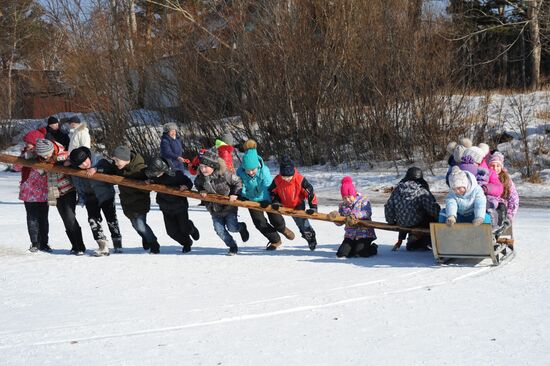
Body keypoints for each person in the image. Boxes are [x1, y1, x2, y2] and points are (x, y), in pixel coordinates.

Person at [92, 145, 160, 254]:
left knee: (140, 225)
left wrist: (147, 183)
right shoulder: (118, 167)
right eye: (114, 160)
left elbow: (150, 182)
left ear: (125, 159)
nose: (115, 163)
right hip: (127, 201)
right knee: (135, 225)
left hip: (140, 201)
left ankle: (154, 243)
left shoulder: (139, 168)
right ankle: (146, 237)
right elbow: (105, 165)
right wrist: (96, 168)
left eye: (117, 160)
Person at [236, 140, 295, 250]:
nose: (251, 172)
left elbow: (268, 186)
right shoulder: (240, 172)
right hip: (251, 199)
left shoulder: (264, 171)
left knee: (275, 219)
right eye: (248, 170)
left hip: (267, 197)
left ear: (257, 166)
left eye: (253, 170)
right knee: (259, 222)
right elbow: (239, 184)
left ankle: (282, 228)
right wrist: (241, 194)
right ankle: (275, 240)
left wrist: (268, 199)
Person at [34, 138, 87, 255]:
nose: (46, 157)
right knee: (65, 220)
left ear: (52, 149)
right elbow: (42, 173)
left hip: (69, 190)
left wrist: (64, 163)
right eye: (43, 155)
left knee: (70, 218)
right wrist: (41, 164)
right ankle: (74, 246)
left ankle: (80, 247)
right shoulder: (41, 160)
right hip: (55, 192)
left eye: (47, 154)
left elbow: (73, 163)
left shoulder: (63, 154)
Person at [194, 149, 249, 255]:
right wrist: (202, 190)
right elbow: (197, 184)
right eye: (201, 167)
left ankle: (241, 227)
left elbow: (238, 182)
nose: (203, 169)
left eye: (206, 167)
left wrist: (235, 193)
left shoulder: (225, 174)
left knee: (232, 227)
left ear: (213, 166)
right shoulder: (200, 178)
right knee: (219, 231)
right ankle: (232, 246)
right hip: (214, 209)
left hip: (229, 208)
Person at [69, 147, 123, 255]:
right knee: (93, 220)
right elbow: (78, 185)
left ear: (88, 157)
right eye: (81, 164)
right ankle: (102, 245)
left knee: (111, 219)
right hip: (90, 197)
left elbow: (110, 169)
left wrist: (96, 169)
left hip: (106, 195)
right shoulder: (75, 171)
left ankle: (117, 242)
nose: (85, 164)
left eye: (85, 160)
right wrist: (82, 197)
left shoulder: (99, 160)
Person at [145, 157, 200, 253]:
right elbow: (149, 180)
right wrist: (149, 182)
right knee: (171, 232)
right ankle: (186, 243)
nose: (155, 176)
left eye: (157, 173)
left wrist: (185, 186)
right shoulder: (153, 176)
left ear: (163, 169)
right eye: (153, 174)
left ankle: (191, 228)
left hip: (180, 206)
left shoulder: (176, 175)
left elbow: (188, 182)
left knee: (184, 228)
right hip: (165, 207)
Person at [384, 167, 440, 251]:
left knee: (406, 211)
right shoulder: (421, 191)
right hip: (418, 222)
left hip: (401, 222)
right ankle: (428, 240)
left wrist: (391, 221)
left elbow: (389, 206)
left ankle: (414, 241)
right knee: (431, 215)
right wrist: (440, 215)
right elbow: (432, 209)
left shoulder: (397, 190)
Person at [269, 156, 318, 250]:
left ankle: (311, 238)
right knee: (298, 224)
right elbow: (272, 192)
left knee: (302, 223)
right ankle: (305, 233)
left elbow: (310, 193)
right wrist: (276, 201)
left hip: (298, 204)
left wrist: (313, 207)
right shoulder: (277, 180)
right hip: (284, 205)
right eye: (284, 176)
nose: (286, 179)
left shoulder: (299, 179)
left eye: (289, 177)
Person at [18, 129, 50, 253]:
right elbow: (16, 167)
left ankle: (44, 243)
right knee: (32, 218)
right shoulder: (24, 154)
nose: (27, 145)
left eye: (29, 143)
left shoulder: (45, 155)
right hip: (28, 192)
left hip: (43, 192)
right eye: (26, 143)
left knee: (43, 218)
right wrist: (23, 158)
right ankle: (35, 242)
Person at [329, 176, 378, 258]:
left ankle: (373, 248)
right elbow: (340, 222)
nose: (347, 200)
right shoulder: (342, 206)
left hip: (365, 234)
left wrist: (355, 215)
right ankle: (352, 248)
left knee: (360, 253)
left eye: (349, 196)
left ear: (353, 194)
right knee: (341, 254)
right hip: (350, 235)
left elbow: (367, 213)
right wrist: (336, 218)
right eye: (344, 198)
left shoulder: (363, 201)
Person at [487, 151, 519, 226]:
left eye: (498, 166)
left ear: (501, 166)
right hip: (489, 205)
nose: (495, 168)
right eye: (492, 165)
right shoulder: (485, 177)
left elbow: (513, 198)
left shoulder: (505, 179)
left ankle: (500, 227)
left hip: (502, 208)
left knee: (501, 208)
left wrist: (510, 214)